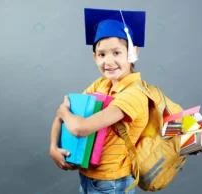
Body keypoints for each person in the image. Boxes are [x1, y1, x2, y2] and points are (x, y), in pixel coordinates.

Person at [49, 7, 149, 193]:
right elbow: (62, 118)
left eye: (117, 53)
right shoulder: (101, 85)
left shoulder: (134, 94)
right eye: (102, 54)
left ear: (133, 52)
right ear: (95, 57)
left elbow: (79, 127)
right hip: (89, 177)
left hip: (113, 183)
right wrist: (53, 147)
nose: (108, 61)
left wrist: (64, 111)